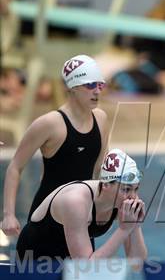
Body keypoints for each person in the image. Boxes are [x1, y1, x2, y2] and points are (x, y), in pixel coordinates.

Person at [1, 55, 109, 237]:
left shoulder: (101, 118)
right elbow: (15, 167)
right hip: (46, 219)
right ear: (72, 88)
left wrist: (109, 204)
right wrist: (9, 215)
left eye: (100, 85)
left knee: (81, 265)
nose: (97, 91)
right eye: (90, 85)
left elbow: (100, 170)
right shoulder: (49, 123)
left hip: (81, 218)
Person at [16, 149, 147, 261]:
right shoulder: (76, 201)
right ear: (106, 184)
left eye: (136, 189)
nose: (133, 196)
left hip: (75, 254)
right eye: (126, 189)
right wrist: (123, 230)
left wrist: (134, 226)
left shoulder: (124, 198)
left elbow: (137, 265)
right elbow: (86, 268)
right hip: (36, 257)